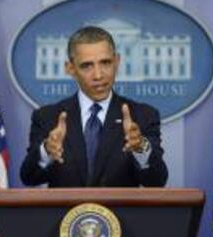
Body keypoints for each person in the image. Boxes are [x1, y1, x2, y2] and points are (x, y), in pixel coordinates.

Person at [20, 26, 168, 187]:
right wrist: (47, 151)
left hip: (119, 213)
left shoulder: (143, 116)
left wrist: (141, 148)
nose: (98, 75)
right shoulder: (48, 117)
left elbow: (157, 181)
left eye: (105, 63)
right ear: (70, 68)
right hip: (66, 213)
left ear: (117, 62)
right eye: (87, 66)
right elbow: (29, 177)